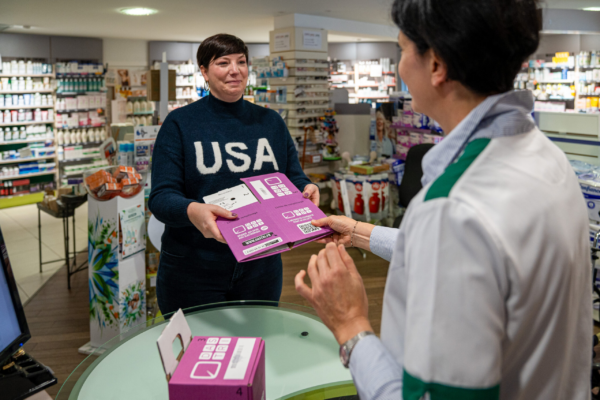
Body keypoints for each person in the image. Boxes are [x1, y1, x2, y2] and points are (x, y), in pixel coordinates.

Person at [294, 1, 591, 399]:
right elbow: (478, 257)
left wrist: (350, 325)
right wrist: (360, 233)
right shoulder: (544, 157)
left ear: (436, 64)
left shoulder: (456, 205)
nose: (400, 67)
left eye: (402, 49)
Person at [149, 34, 319, 315]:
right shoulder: (180, 123)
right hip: (193, 268)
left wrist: (307, 188)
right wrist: (194, 211)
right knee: (197, 353)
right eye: (223, 62)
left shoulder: (270, 122)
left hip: (261, 266)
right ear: (203, 71)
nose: (235, 70)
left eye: (241, 62)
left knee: (254, 347)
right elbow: (161, 197)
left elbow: (293, 177)